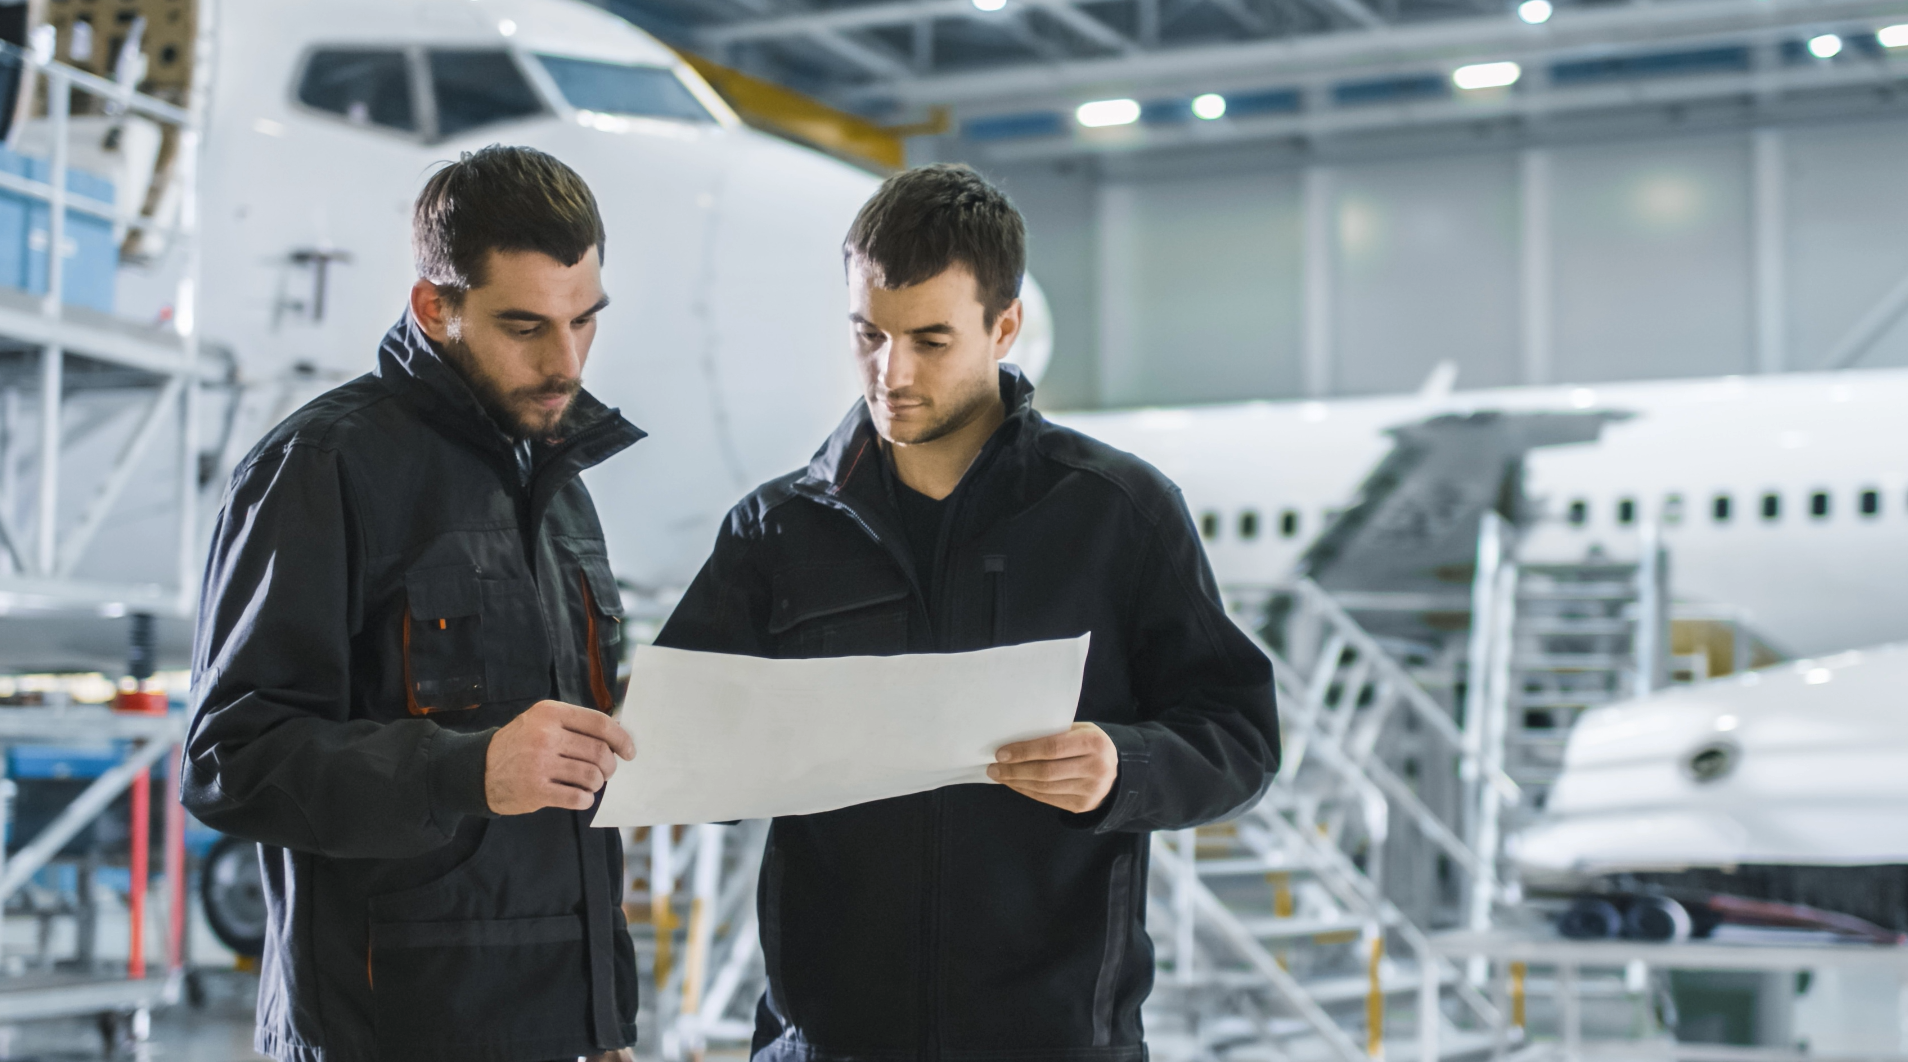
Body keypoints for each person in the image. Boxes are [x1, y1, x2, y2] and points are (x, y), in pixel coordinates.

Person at [656, 163, 1280, 1061]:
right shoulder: (776, 531)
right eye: (867, 334)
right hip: (826, 1043)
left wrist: (1123, 764)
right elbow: (681, 752)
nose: (891, 372)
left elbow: (1241, 736)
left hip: (1055, 1041)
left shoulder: (1118, 514)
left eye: (930, 340)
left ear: (1006, 327)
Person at [183, 146, 643, 1062]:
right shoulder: (320, 469)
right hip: (387, 1033)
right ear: (435, 307)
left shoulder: (558, 491)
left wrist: (606, 1023)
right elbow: (231, 759)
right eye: (525, 327)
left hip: (564, 1033)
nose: (565, 364)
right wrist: (463, 771)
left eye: (585, 322)